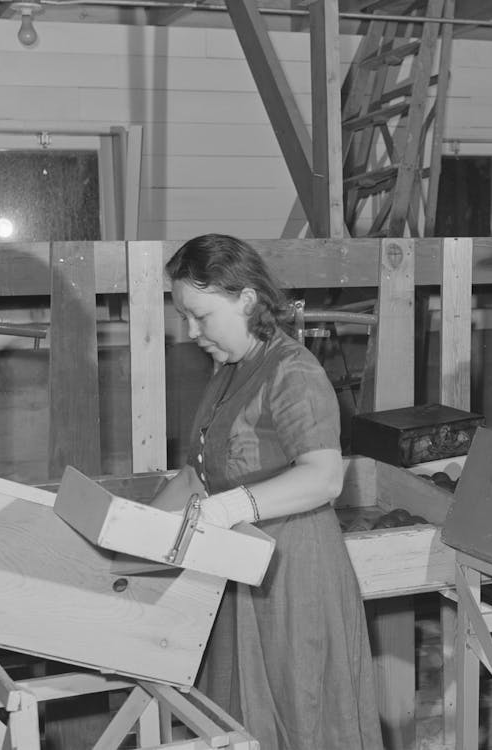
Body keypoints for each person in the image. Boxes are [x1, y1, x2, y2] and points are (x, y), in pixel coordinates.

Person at [155, 233, 384, 750]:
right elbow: (200, 475)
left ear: (247, 299)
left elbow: (325, 476)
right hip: (238, 573)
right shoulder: (229, 371)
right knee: (238, 720)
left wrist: (234, 505)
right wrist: (138, 535)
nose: (191, 332)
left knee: (299, 716)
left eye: (201, 316)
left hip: (290, 575)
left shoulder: (293, 371)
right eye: (183, 317)